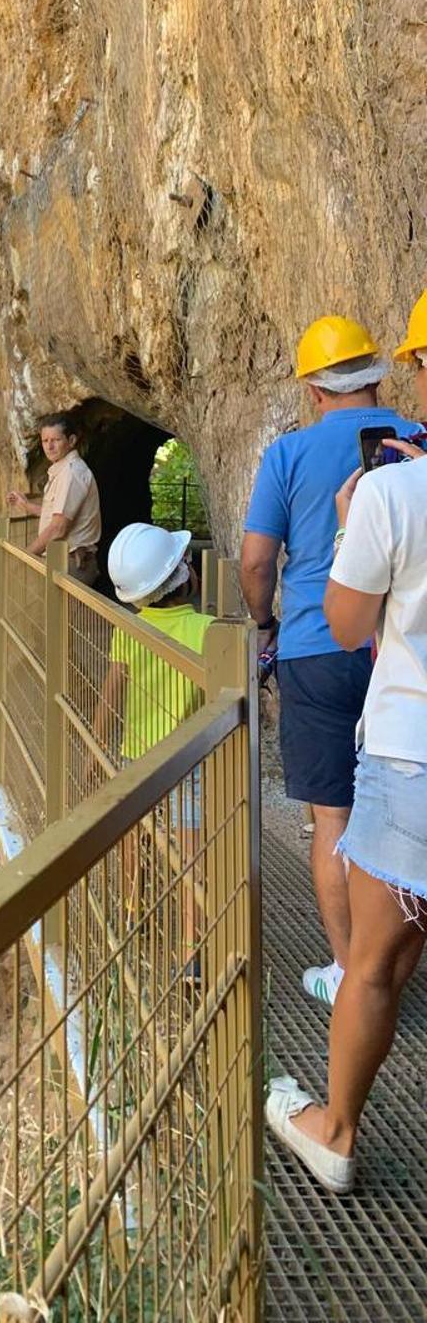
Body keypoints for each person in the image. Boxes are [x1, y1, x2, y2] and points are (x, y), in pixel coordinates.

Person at [266, 291, 427, 1194]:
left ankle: (334, 1128)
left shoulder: (393, 488)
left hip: (408, 747)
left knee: (372, 965)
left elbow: (344, 614)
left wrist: (354, 516)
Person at [240, 315, 419, 1007]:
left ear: (315, 391)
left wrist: (266, 623)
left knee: (334, 817)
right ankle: (395, 961)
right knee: (403, 802)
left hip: (316, 646)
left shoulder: (288, 455)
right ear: (378, 375)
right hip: (399, 647)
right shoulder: (417, 441)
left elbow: (258, 560)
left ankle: (351, 971)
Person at [97, 524, 211, 963]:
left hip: (138, 755)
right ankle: (190, 952)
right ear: (184, 573)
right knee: (192, 857)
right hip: (190, 760)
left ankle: (132, 913)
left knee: (135, 837)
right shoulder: (207, 629)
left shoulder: (131, 629)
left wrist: (95, 748)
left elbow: (111, 692)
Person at [7, 413, 102, 586]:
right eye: (45, 441)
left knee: (61, 614)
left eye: (56, 440)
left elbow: (58, 527)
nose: (49, 447)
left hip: (71, 564)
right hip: (63, 561)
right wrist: (26, 505)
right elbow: (56, 514)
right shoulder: (63, 470)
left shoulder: (71, 473)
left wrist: (24, 556)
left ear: (71, 440)